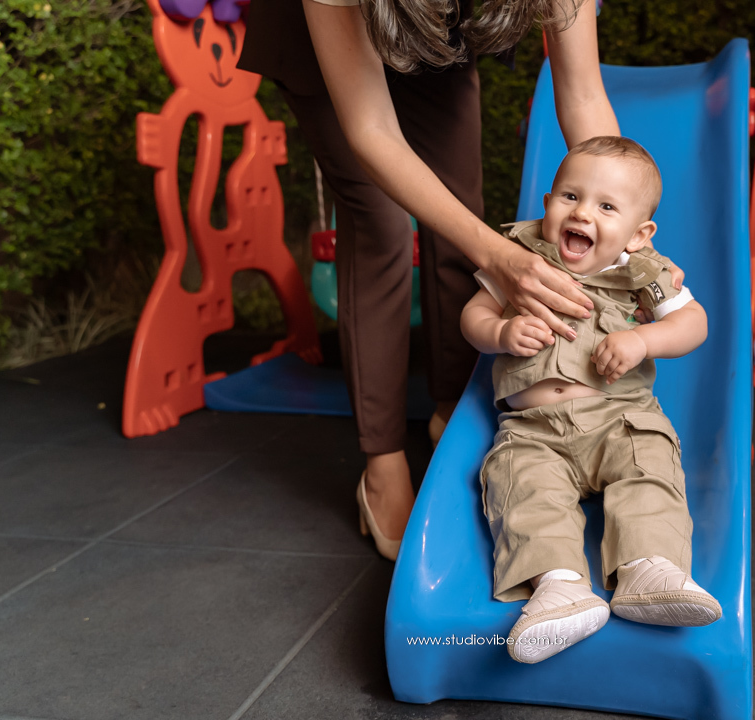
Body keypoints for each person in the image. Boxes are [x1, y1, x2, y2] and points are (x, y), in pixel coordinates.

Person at [238, 0, 684, 560]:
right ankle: (383, 461)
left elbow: (582, 94)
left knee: (458, 210)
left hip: (438, 30)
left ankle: (449, 412)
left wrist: (631, 248)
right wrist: (497, 257)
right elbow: (372, 131)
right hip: (333, 33)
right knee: (382, 227)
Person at [460, 136, 721, 665]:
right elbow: (473, 315)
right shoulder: (521, 258)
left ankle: (648, 569)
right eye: (570, 197)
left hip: (620, 420)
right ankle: (560, 588)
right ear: (547, 203)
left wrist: (643, 340)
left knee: (648, 468)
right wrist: (501, 332)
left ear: (639, 233)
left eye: (606, 207)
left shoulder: (642, 271)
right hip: (533, 430)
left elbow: (694, 323)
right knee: (522, 488)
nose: (582, 213)